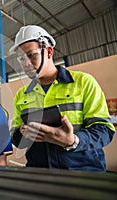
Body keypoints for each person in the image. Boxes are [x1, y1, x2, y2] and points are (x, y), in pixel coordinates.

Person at [9, 25, 115, 172]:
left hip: (83, 173)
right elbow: (16, 140)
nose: (26, 63)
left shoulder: (83, 82)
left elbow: (104, 129)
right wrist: (21, 133)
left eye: (31, 55)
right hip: (39, 174)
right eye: (21, 58)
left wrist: (73, 141)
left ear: (49, 51)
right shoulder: (22, 95)